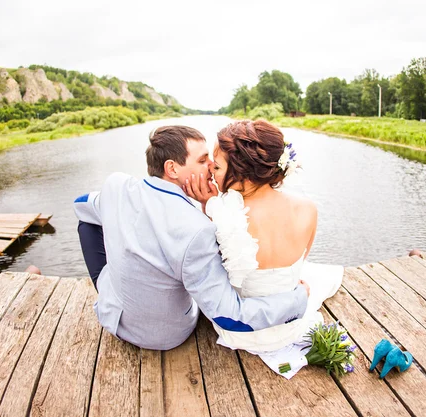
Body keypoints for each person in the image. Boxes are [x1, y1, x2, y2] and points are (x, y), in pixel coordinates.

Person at [74, 125, 310, 351]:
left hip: (109, 311)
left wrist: (110, 266)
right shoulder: (196, 230)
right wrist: (297, 299)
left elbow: (81, 206)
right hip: (164, 337)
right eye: (202, 160)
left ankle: (106, 286)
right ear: (173, 169)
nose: (211, 166)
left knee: (88, 222)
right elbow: (232, 317)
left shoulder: (118, 186)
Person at [184, 120, 343, 367]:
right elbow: (300, 262)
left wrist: (208, 206)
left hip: (241, 330)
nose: (211, 173)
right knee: (315, 277)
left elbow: (217, 273)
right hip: (289, 326)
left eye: (217, 166)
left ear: (243, 172)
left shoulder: (224, 213)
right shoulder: (308, 209)